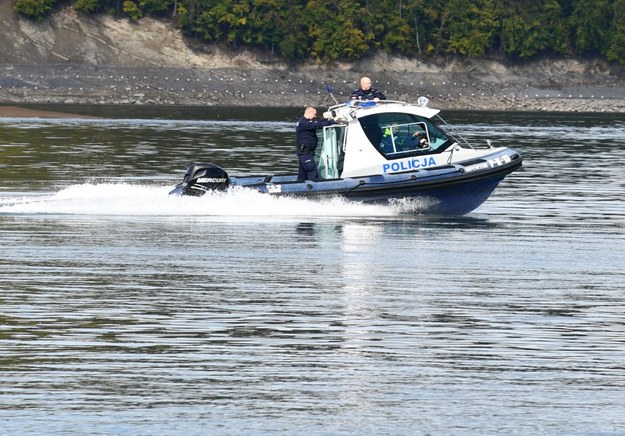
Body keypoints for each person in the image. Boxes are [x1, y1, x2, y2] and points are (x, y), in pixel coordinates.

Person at [295, 106, 335, 182]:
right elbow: (317, 125)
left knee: (302, 172)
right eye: (314, 114)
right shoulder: (304, 123)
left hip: (307, 151)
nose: (315, 116)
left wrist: (325, 119)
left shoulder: (305, 121)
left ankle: (299, 187)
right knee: (311, 170)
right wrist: (332, 121)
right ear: (310, 112)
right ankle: (316, 190)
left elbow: (318, 123)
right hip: (305, 151)